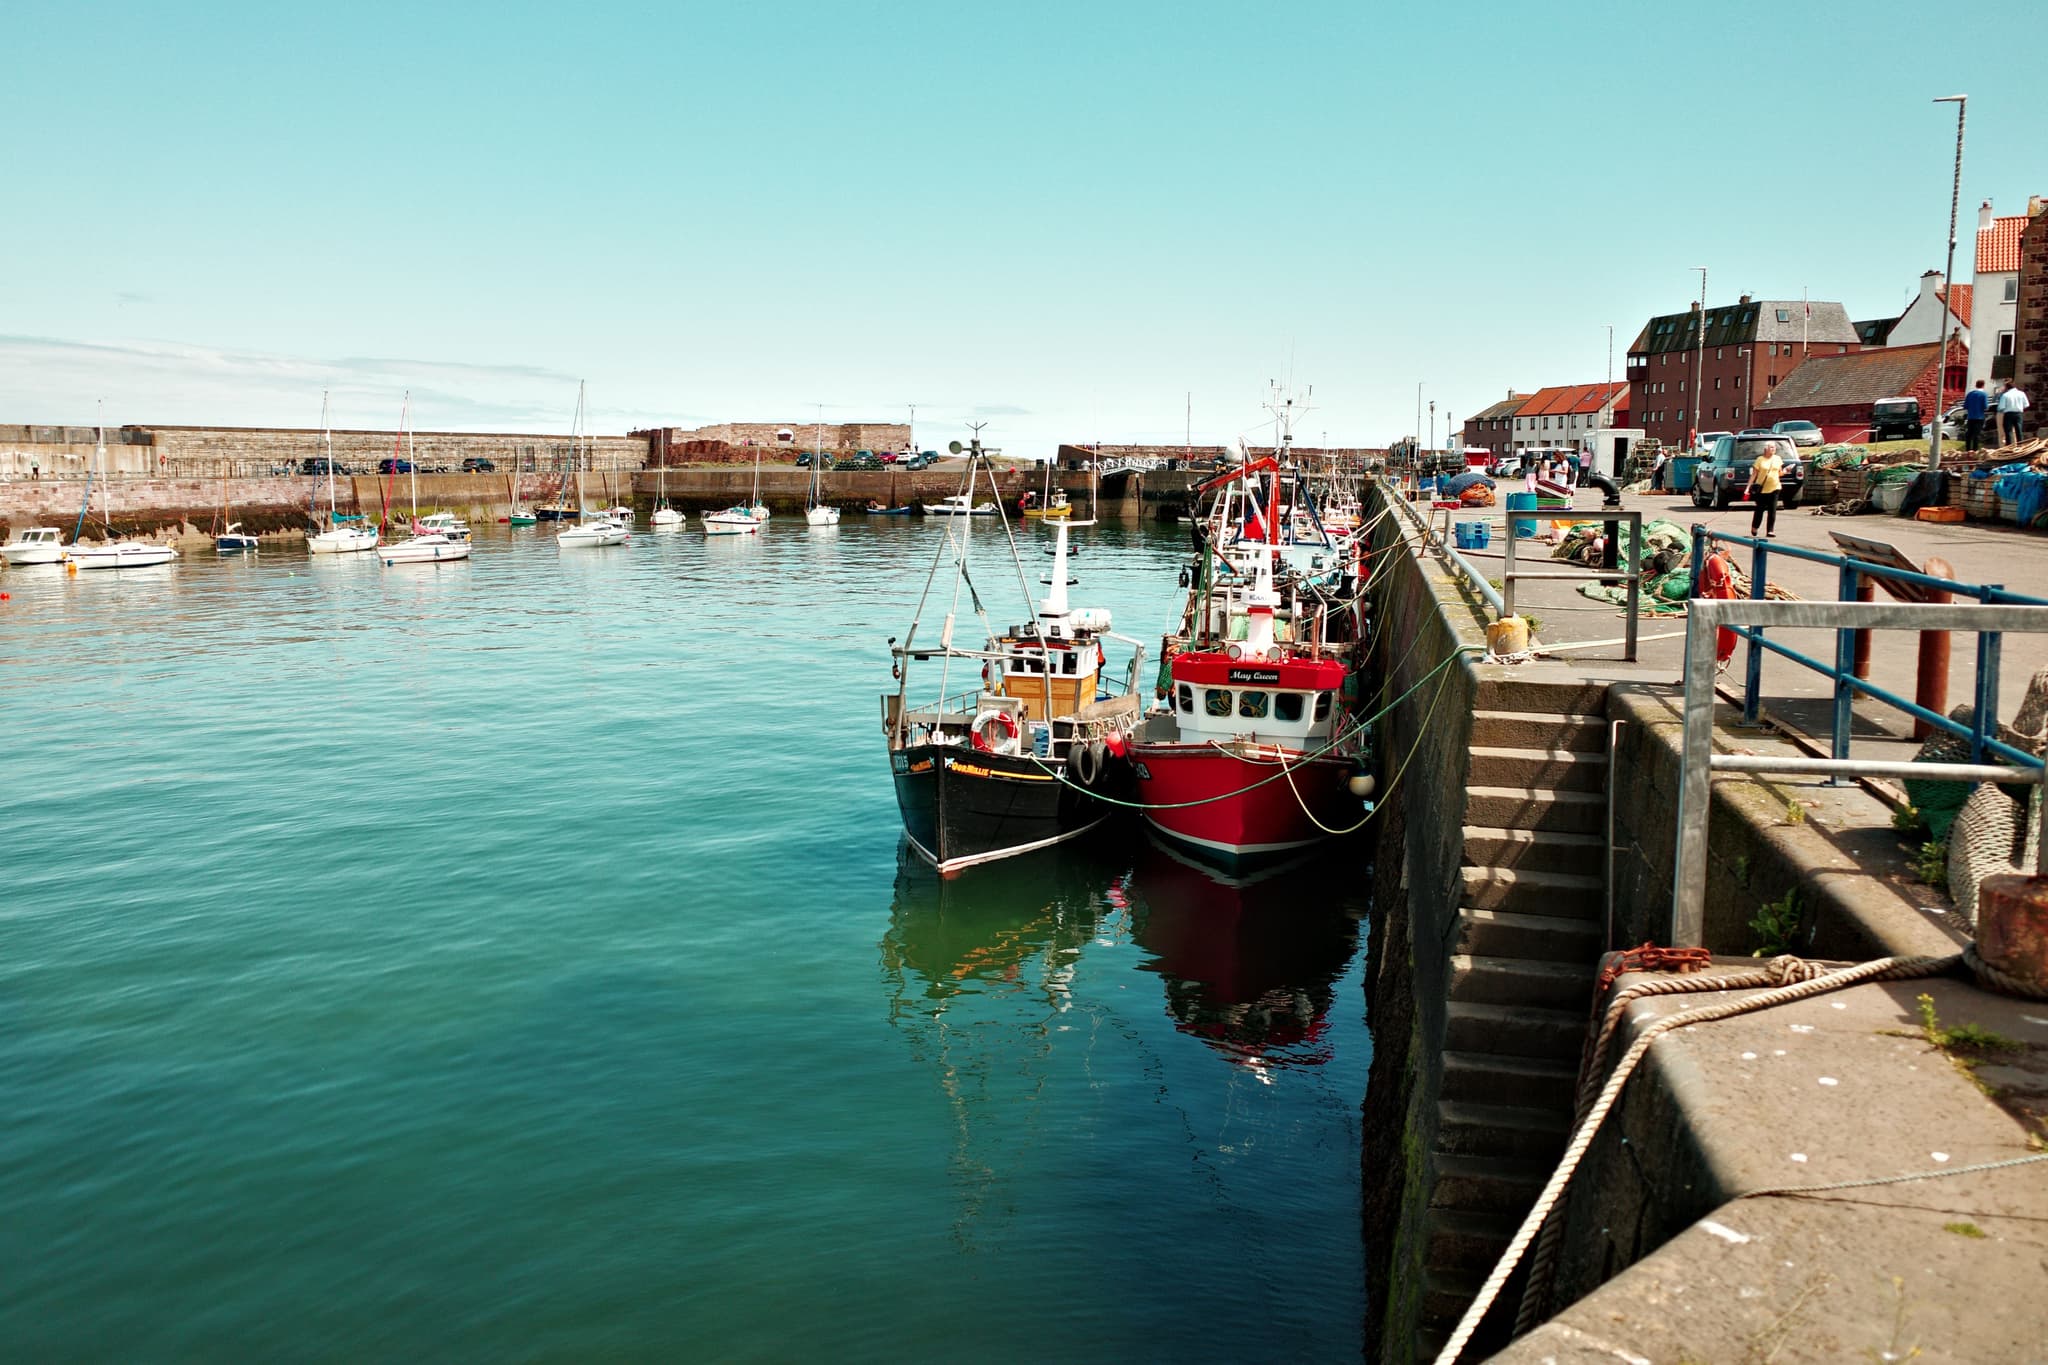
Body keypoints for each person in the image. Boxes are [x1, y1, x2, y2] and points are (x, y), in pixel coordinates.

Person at [1745, 440, 1786, 539]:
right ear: (1766, 449)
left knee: (1772, 510)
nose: (1773, 449)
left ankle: (1770, 530)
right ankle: (1755, 527)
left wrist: (1785, 471)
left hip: (1775, 487)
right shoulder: (1760, 460)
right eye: (1771, 447)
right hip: (1762, 489)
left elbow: (1780, 473)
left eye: (1774, 447)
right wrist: (1747, 488)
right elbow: (1754, 475)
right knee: (1760, 509)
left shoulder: (1778, 459)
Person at [1963, 380, 1990, 452]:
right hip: (1979, 417)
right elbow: (1985, 406)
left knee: (1969, 433)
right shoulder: (1984, 394)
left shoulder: (1970, 394)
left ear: (1976, 385)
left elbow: (1965, 406)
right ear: (1983, 385)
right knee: (1976, 434)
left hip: (1970, 416)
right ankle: (1975, 450)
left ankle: (1967, 449)